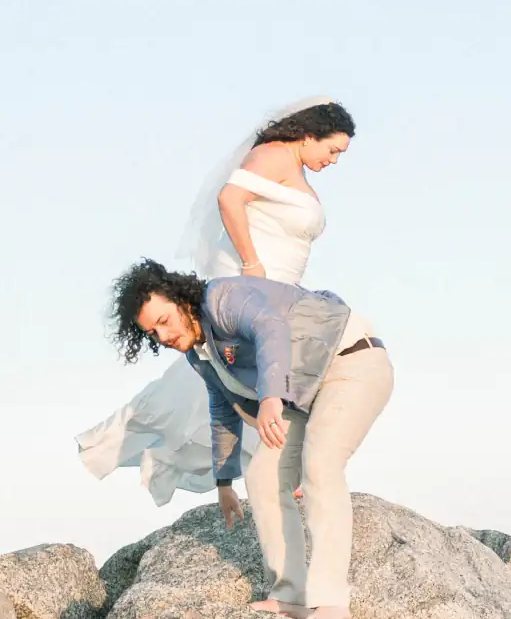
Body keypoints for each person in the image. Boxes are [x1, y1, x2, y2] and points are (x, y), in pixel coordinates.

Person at [77, 101, 356, 501]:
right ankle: (286, 470)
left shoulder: (291, 167)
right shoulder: (275, 154)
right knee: (259, 368)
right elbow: (229, 198)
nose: (334, 160)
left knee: (258, 370)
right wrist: (252, 262)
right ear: (310, 135)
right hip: (257, 278)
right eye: (333, 150)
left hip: (281, 279)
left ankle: (283, 467)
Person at [108, 257, 392, 619]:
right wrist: (224, 482)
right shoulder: (200, 354)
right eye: (152, 334)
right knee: (261, 476)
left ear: (180, 300)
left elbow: (269, 326)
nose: (162, 337)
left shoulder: (222, 298)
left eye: (163, 321)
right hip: (304, 392)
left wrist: (271, 395)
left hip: (353, 360)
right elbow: (223, 409)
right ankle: (289, 594)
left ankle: (331, 600)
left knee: (320, 463)